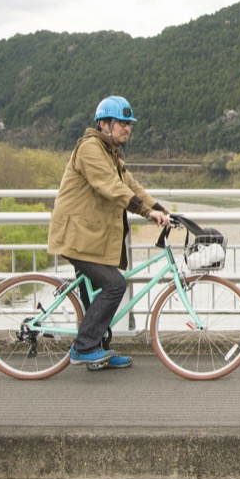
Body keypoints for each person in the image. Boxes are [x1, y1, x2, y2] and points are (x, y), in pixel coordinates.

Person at [47, 95, 171, 369]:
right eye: (121, 123)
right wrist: (146, 212)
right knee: (115, 284)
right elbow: (109, 187)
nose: (126, 128)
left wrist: (161, 209)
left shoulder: (111, 152)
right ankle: (82, 348)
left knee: (94, 295)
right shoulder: (90, 149)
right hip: (76, 237)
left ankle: (98, 350)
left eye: (129, 124)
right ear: (104, 124)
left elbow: (131, 186)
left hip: (91, 237)